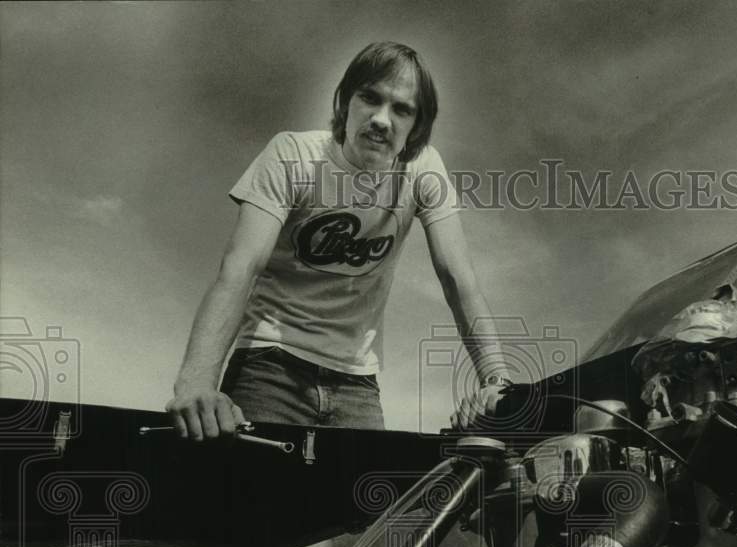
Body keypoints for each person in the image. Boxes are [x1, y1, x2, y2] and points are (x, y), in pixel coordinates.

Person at [167, 41, 510, 438]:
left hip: (356, 382)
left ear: (416, 126)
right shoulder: (292, 155)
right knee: (252, 495)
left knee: (367, 497)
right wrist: (195, 383)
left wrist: (497, 381)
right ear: (346, 102)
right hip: (268, 365)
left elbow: (457, 277)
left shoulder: (424, 171)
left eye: (401, 109)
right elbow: (240, 267)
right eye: (370, 98)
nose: (382, 120)